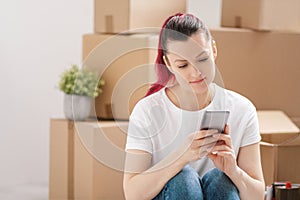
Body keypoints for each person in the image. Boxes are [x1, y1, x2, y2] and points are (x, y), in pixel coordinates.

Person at [123, 13, 265, 200]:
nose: (196, 72)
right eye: (182, 65)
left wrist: (233, 171)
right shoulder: (147, 111)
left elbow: (256, 195)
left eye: (202, 59)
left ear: (213, 50)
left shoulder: (242, 109)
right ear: (168, 64)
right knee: (184, 179)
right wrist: (182, 157)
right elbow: (132, 194)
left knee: (220, 178)